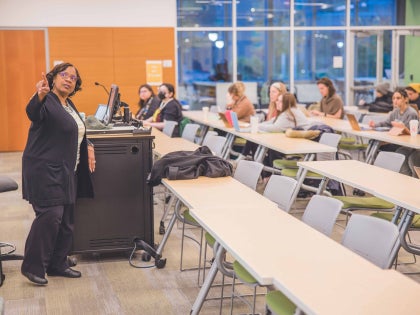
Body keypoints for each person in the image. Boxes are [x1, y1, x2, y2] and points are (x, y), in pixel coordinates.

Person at [21, 62, 94, 285]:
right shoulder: (46, 101)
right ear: (53, 78)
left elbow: (76, 129)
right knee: (50, 216)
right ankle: (32, 267)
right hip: (45, 170)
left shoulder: (68, 104)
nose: (69, 79)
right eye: (64, 74)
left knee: (67, 219)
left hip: (67, 170)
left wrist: (89, 145)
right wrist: (39, 94)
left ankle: (57, 263)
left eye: (73, 77)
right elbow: (33, 112)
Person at [370, 88, 418, 152]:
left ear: (406, 99)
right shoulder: (395, 111)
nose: (395, 101)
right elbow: (387, 123)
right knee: (372, 142)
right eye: (393, 98)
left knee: (379, 146)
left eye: (398, 98)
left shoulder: (411, 113)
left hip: (404, 144)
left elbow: (408, 134)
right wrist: (375, 125)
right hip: (395, 140)